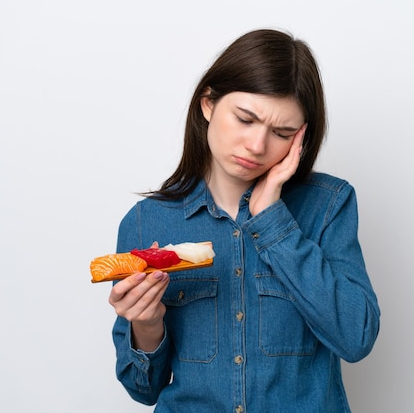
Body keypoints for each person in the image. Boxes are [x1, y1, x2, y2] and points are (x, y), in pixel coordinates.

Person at [107, 28, 380, 412]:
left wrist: (272, 221)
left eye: (281, 132)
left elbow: (356, 337)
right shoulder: (145, 223)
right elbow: (143, 389)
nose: (257, 146)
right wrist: (147, 325)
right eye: (245, 119)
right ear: (208, 104)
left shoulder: (328, 205)